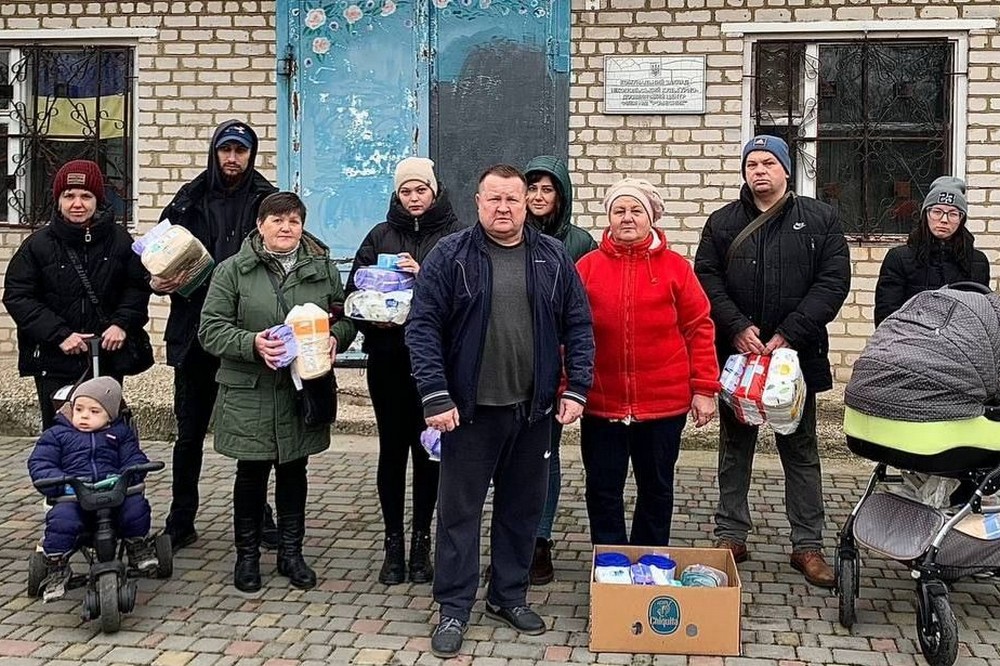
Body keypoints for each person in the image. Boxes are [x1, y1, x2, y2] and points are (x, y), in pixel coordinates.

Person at [406, 164, 594, 659]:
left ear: (526, 203)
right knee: (459, 514)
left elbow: (578, 325)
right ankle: (453, 606)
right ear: (478, 201)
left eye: (513, 199)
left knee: (521, 511)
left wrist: (577, 390)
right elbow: (422, 328)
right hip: (467, 413)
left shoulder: (552, 257)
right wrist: (435, 395)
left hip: (532, 412)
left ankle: (507, 596)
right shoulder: (451, 255)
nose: (504, 208)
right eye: (495, 199)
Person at [694, 135, 851, 588]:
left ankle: (807, 545)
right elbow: (706, 277)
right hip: (738, 356)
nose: (758, 171)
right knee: (734, 447)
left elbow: (833, 282)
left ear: (786, 169)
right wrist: (736, 326)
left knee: (800, 450)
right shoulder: (723, 222)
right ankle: (731, 535)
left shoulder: (820, 219)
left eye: (768, 163)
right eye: (751, 163)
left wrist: (789, 333)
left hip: (792, 361)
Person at [198, 191, 356, 593]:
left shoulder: (321, 269)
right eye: (277, 221)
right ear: (260, 225)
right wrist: (252, 343)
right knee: (250, 472)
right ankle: (247, 557)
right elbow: (210, 328)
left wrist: (336, 337)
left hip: (300, 391)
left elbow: (343, 314)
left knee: (294, 471)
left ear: (302, 227)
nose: (286, 228)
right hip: (250, 388)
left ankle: (291, 553)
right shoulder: (232, 271)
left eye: (294, 221)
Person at [156, 120, 278, 552]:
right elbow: (157, 255)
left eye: (240, 151)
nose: (232, 158)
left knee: (254, 431)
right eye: (225, 150)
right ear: (214, 152)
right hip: (194, 334)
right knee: (189, 434)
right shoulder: (187, 200)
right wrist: (157, 280)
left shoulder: (267, 201)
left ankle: (259, 518)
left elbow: (284, 255)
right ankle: (181, 518)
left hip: (247, 337)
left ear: (251, 154)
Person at [577, 178, 719, 547]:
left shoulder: (676, 268)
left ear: (651, 217)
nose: (627, 218)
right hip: (601, 402)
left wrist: (704, 389)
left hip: (663, 405)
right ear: (608, 217)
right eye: (618, 210)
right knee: (602, 488)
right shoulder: (587, 268)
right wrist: (569, 389)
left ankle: (649, 557)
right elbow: (570, 332)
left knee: (656, 488)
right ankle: (609, 561)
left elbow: (699, 328)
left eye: (635, 210)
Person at [346, 157, 463, 586]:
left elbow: (468, 295)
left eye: (421, 190)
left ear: (435, 191)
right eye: (406, 192)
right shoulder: (379, 235)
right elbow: (352, 294)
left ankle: (421, 544)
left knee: (428, 452)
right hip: (388, 361)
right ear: (397, 196)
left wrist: (426, 272)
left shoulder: (454, 236)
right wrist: (370, 315)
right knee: (392, 451)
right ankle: (392, 544)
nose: (414, 199)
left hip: (435, 367)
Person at [3, 160, 152, 430]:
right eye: (69, 196)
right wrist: (59, 334)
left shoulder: (120, 241)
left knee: (107, 432)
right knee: (60, 435)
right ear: (58, 200)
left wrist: (121, 324)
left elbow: (138, 287)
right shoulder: (37, 245)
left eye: (86, 196)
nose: (77, 203)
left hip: (106, 356)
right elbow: (18, 296)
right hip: (55, 359)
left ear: (98, 200)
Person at [522, 155, 596, 585]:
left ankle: (540, 541)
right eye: (531, 188)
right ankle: (513, 538)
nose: (537, 197)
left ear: (560, 195)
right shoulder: (507, 236)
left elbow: (583, 313)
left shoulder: (579, 243)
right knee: (512, 461)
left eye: (546, 189)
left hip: (555, 371)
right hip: (510, 368)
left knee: (545, 457)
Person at [27, 377, 156, 600]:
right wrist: (60, 481)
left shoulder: (119, 434)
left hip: (113, 493)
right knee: (61, 521)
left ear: (110, 415)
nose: (84, 415)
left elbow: (133, 458)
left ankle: (137, 544)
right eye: (79, 409)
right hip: (74, 495)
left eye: (94, 411)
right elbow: (40, 463)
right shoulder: (57, 435)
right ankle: (56, 565)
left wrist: (131, 472)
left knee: (136, 507)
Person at [875, 176, 989, 326]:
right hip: (909, 344)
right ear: (925, 214)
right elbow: (886, 315)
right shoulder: (899, 258)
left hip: (960, 345)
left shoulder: (977, 262)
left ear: (962, 219)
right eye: (937, 211)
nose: (944, 219)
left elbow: (982, 315)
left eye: (953, 214)